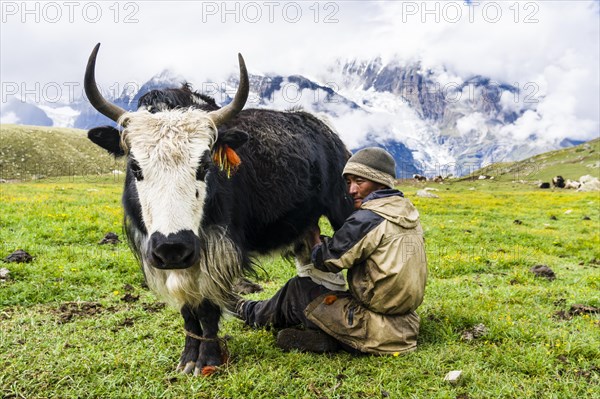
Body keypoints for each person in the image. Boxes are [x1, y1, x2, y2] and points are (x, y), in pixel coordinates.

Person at [232, 147, 428, 355]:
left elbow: (327, 259)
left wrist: (314, 237)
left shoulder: (369, 218)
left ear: (380, 181)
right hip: (405, 328)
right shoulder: (407, 213)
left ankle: (249, 312)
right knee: (327, 297)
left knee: (298, 288)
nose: (352, 190)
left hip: (368, 325)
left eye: (359, 181)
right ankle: (329, 340)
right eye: (349, 182)